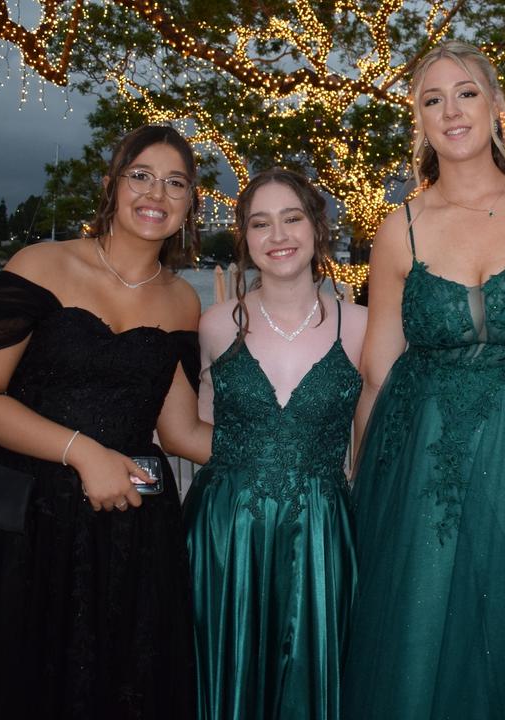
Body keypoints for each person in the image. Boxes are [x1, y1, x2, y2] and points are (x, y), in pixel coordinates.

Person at [342, 40, 505, 718]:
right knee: (421, 636)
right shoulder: (400, 229)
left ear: (497, 105)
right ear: (418, 120)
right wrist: (362, 492)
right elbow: (377, 372)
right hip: (424, 473)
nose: (450, 110)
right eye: (432, 99)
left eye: (466, 93)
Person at [0, 125, 213, 718]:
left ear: (191, 204)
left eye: (175, 183)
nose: (155, 193)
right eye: (141, 175)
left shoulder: (184, 301)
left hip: (129, 536)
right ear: (112, 185)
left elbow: (182, 432)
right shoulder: (41, 264)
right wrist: (83, 453)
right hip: (25, 525)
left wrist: (291, 449)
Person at [185, 167, 366, 719]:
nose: (278, 235)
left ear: (316, 226)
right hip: (228, 534)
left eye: (291, 218)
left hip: (322, 531)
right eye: (260, 223)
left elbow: (369, 440)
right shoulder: (216, 325)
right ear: (245, 237)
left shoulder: (362, 326)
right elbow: (204, 423)